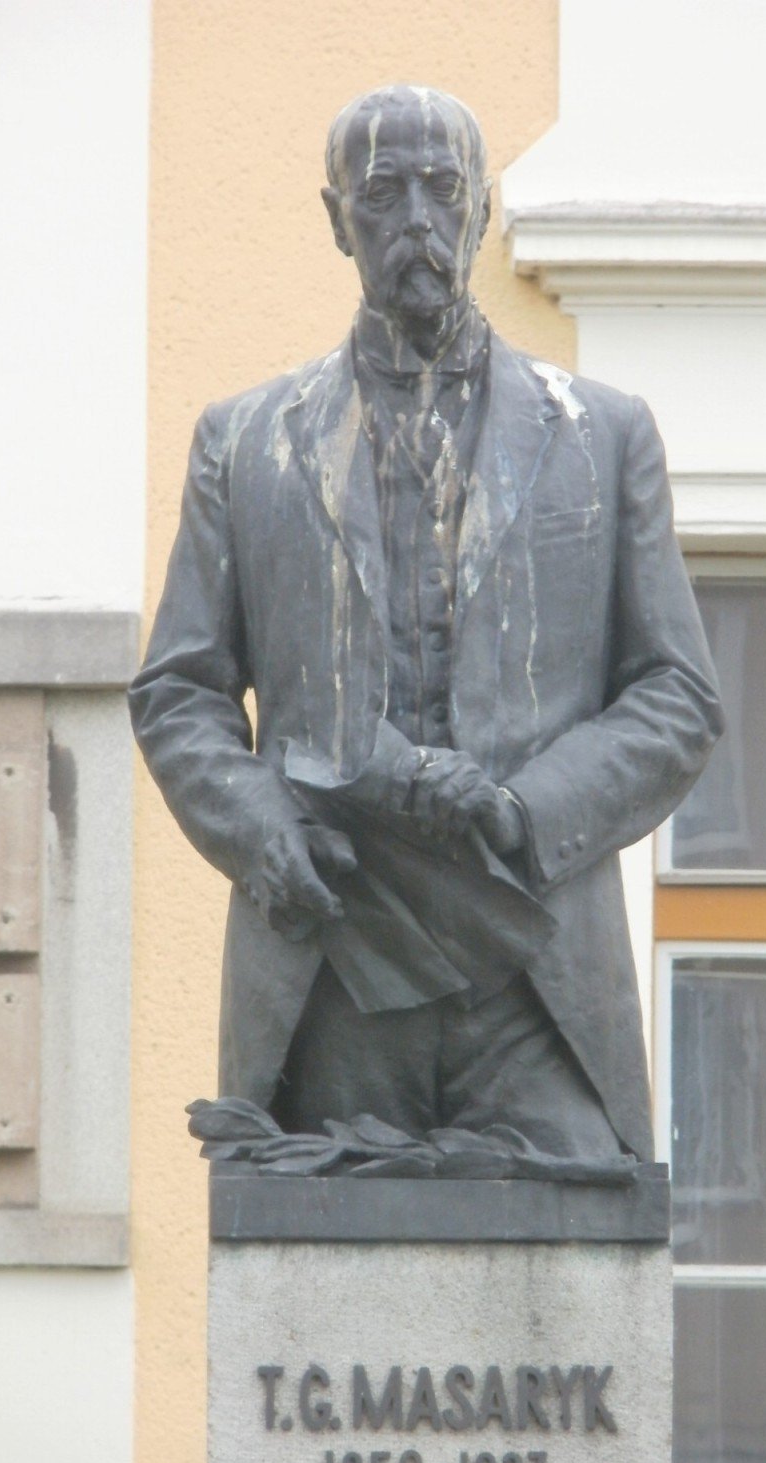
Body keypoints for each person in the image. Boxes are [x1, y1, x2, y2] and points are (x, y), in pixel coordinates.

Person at [129, 84, 722, 1168]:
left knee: (580, 1241)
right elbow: (178, 691)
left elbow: (678, 693)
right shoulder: (244, 440)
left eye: (441, 189)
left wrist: (524, 812)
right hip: (334, 970)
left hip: (535, 975)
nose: (413, 217)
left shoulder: (605, 437)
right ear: (335, 218)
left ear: (481, 211)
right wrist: (265, 833)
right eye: (381, 191)